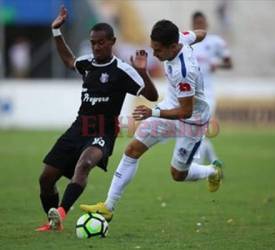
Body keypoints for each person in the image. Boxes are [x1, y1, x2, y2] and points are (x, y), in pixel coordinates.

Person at [80, 20, 224, 222]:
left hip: (192, 121)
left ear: (173, 47)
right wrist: (194, 36)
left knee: (178, 174)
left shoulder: (185, 71)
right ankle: (108, 207)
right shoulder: (181, 38)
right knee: (132, 150)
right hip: (169, 108)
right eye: (153, 48)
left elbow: (185, 110)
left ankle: (212, 170)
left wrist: (153, 113)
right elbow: (201, 33)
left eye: (158, 50)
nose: (154, 55)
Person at [36, 6, 158, 232]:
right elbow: (69, 61)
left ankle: (61, 212)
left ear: (112, 42)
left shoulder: (123, 70)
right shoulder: (87, 63)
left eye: (101, 42)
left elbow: (152, 95)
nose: (96, 47)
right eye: (93, 43)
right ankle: (53, 223)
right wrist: (56, 32)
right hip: (78, 128)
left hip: (103, 131)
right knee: (46, 179)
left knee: (84, 165)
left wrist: (142, 72)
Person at [192, 11, 233, 164]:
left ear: (206, 24)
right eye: (197, 23)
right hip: (191, 95)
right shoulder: (188, 43)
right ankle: (214, 162)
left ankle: (197, 166)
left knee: (199, 129)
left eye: (202, 23)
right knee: (194, 130)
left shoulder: (216, 42)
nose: (200, 25)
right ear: (193, 24)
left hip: (208, 93)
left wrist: (218, 64)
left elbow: (229, 63)